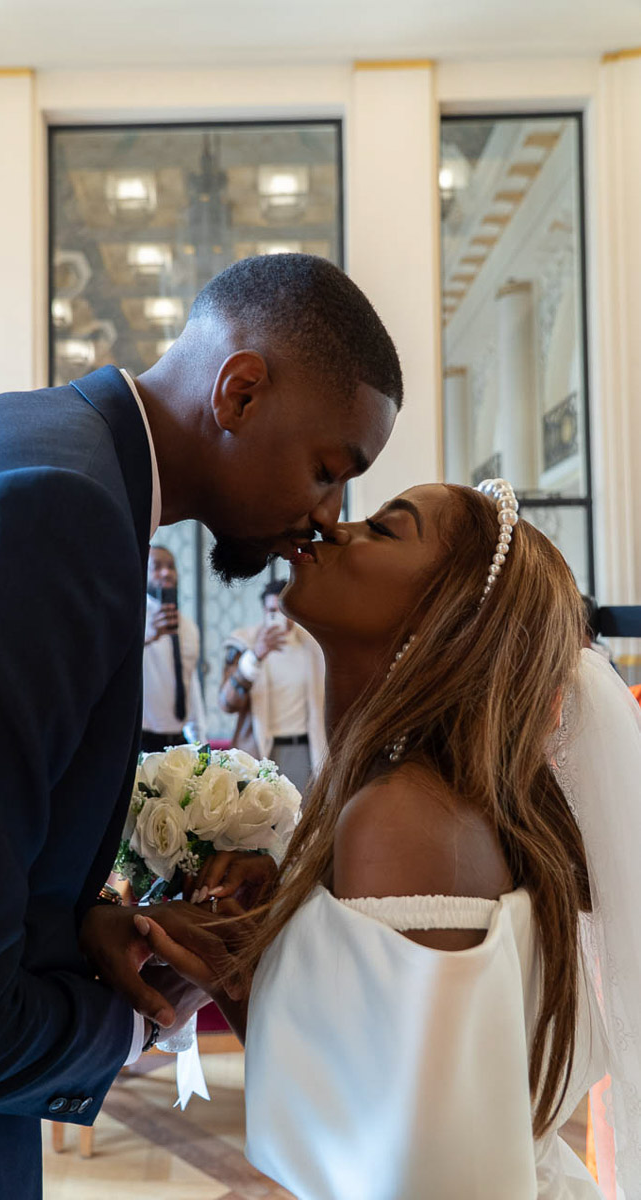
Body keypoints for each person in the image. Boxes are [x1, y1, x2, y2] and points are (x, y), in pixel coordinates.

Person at [0, 253, 402, 1198]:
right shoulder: (49, 515)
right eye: (326, 469)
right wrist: (138, 1016)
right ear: (241, 390)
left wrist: (80, 923)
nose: (324, 519)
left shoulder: (18, 445)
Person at [138, 477, 641, 1199]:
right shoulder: (424, 796)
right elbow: (372, 1091)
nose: (338, 529)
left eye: (384, 528)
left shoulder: (403, 815)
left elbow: (394, 1168)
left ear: (447, 617)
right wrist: (255, 946)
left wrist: (229, 967)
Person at [219, 578, 324, 794]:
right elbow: (227, 703)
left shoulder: (313, 645)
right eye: (271, 610)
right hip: (259, 749)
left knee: (301, 821)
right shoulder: (245, 642)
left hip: (305, 749)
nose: (277, 617)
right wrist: (255, 656)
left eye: (283, 610)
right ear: (264, 611)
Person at [142, 544, 206, 751]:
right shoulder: (132, 620)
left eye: (171, 566)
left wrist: (200, 742)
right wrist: (147, 636)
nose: (166, 572)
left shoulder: (188, 626)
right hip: (139, 738)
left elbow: (190, 683)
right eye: (157, 566)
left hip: (180, 741)